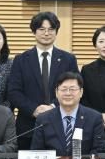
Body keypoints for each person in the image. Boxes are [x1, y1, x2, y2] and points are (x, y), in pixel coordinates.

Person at [8, 11, 79, 150]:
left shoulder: (68, 59)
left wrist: (53, 107)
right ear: (34, 31)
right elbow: (14, 92)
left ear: (56, 32)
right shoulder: (21, 59)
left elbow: (75, 89)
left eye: (51, 29)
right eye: (41, 29)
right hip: (28, 126)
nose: (46, 33)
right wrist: (34, 109)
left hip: (61, 125)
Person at [31, 72, 105, 156]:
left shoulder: (94, 118)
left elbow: (99, 151)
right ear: (56, 92)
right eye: (64, 89)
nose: (68, 93)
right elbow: (36, 152)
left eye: (72, 89)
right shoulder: (43, 119)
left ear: (81, 92)